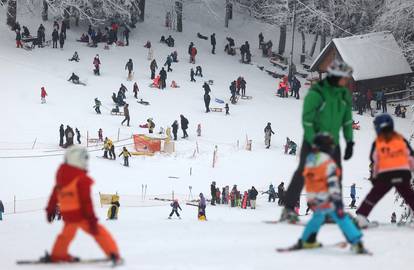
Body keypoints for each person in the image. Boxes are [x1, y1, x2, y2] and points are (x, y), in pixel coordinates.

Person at [281, 60, 354, 223]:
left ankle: (332, 211)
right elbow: (307, 120)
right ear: (336, 77)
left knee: (335, 176)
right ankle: (288, 209)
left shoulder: (343, 95)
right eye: (345, 78)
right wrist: (314, 139)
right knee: (304, 173)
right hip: (313, 141)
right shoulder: (317, 93)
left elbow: (347, 120)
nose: (347, 81)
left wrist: (350, 141)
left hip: (332, 143)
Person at [290, 133, 367, 254]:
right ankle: (356, 242)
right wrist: (337, 201)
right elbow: (332, 182)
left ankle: (307, 240)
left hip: (313, 197)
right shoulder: (328, 162)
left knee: (318, 217)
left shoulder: (310, 159)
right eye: (331, 146)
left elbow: (308, 178)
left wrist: (310, 199)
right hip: (327, 198)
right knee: (341, 218)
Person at [44, 146, 121, 263]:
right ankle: (114, 254)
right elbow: (86, 201)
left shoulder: (62, 178)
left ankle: (58, 255)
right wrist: (91, 219)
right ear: (77, 159)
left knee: (66, 235)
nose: (86, 162)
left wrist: (50, 209)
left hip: (68, 214)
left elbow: (55, 195)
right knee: (99, 232)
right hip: (80, 214)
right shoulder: (81, 179)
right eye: (84, 159)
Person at [355, 113, 414, 228]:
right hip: (403, 173)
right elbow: (411, 157)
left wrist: (374, 177)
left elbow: (374, 160)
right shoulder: (401, 140)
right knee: (409, 196)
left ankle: (361, 217)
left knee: (374, 195)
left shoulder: (378, 142)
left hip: (385, 175)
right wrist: (410, 170)